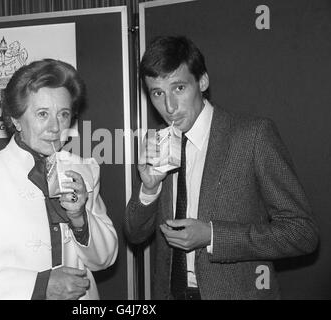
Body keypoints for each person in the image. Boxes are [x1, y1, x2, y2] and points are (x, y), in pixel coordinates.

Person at [124, 36, 319, 300]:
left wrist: (213, 236)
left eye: (179, 88)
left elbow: (302, 233)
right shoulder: (158, 143)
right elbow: (134, 235)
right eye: (158, 93)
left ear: (202, 81)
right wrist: (149, 188)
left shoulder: (252, 136)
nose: (169, 107)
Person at [0, 59, 118, 300]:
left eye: (63, 114)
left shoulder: (85, 170)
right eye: (42, 114)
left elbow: (104, 259)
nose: (55, 127)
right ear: (15, 119)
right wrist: (39, 286)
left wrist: (80, 219)